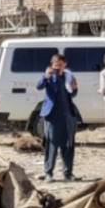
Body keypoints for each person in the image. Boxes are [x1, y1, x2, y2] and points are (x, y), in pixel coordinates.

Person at [37, 54, 79, 183]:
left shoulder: (69, 76)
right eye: (56, 65)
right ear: (52, 65)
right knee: (52, 146)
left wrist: (75, 88)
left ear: (65, 65)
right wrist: (46, 77)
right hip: (53, 116)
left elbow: (72, 94)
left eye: (60, 65)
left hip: (68, 115)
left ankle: (68, 173)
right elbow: (39, 86)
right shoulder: (48, 76)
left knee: (68, 145)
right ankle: (48, 173)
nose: (58, 67)